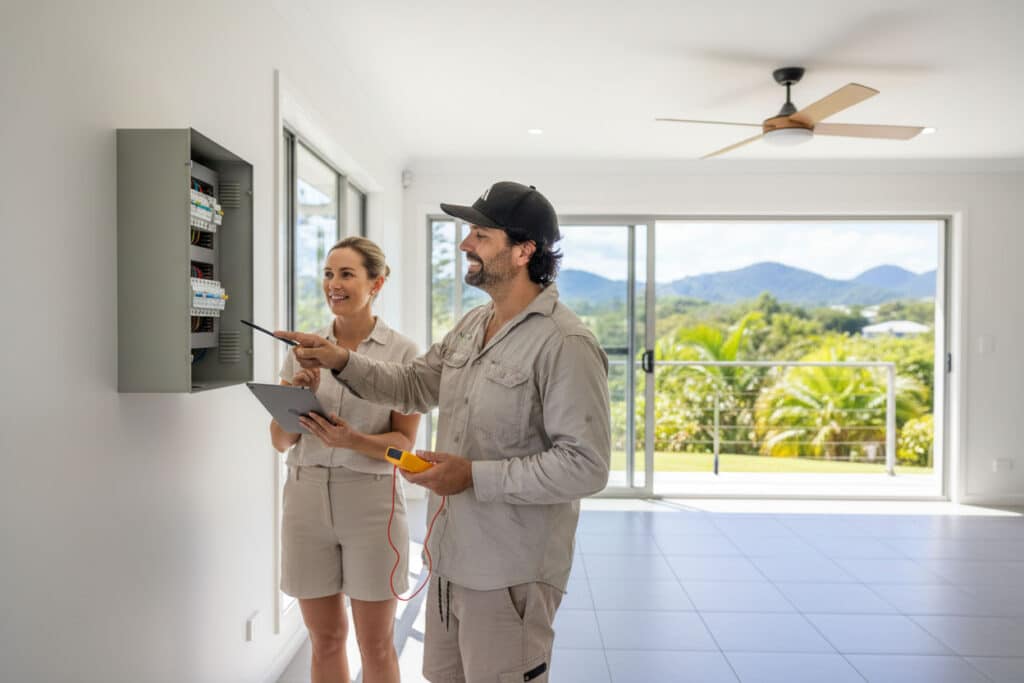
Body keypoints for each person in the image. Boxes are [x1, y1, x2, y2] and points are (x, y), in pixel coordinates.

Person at [278, 181, 611, 683]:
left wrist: (474, 476)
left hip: (509, 572)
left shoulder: (566, 342)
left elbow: (586, 465)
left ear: (524, 251)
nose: (464, 245)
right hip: (451, 562)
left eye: (480, 234)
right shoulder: (474, 325)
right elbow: (414, 384)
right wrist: (340, 359)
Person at [270, 236, 420, 683]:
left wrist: (353, 440)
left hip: (372, 504)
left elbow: (405, 447)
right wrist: (299, 393)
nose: (334, 284)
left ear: (377, 282)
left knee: (375, 646)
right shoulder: (302, 351)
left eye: (347, 274)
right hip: (305, 500)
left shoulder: (403, 355)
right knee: (326, 641)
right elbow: (280, 441)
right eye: (329, 274)